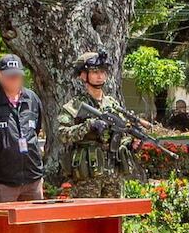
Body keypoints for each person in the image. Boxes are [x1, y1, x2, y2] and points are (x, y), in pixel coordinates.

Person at [47, 47, 148, 199]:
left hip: (113, 174)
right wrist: (88, 125)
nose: (100, 76)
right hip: (87, 176)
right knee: (87, 220)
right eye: (95, 72)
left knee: (113, 220)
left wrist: (130, 144)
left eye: (103, 72)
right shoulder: (75, 105)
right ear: (83, 75)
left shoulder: (113, 104)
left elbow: (121, 135)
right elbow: (62, 134)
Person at [0, 54, 44, 208]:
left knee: (34, 229)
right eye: (10, 76)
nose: (14, 79)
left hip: (32, 179)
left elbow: (36, 130)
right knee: (5, 229)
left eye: (17, 75)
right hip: (3, 182)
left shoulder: (32, 99)